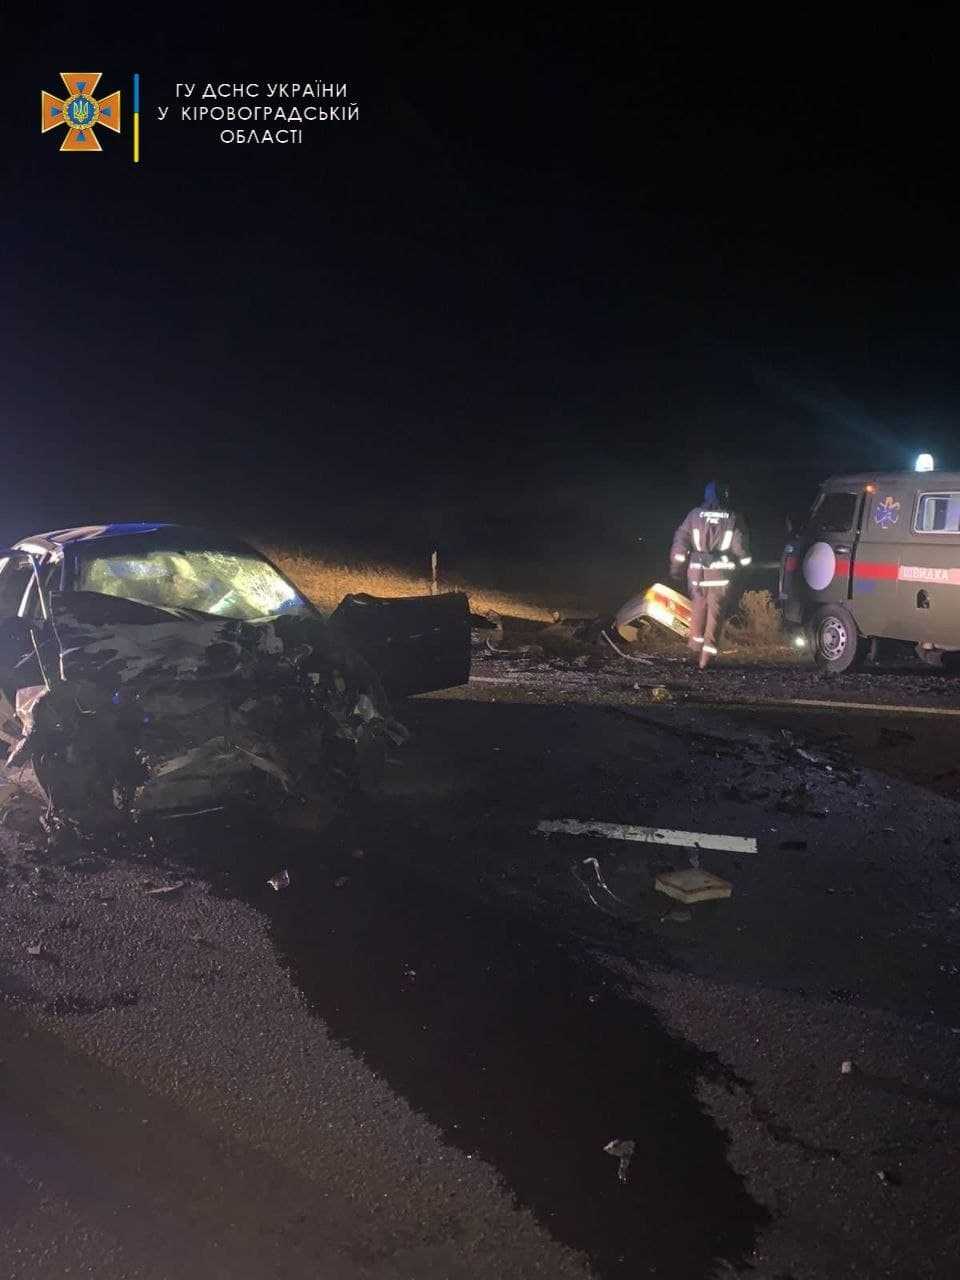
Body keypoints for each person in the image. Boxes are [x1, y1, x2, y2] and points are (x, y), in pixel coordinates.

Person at [669, 481, 751, 669]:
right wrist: (746, 563)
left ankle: (694, 649)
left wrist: (676, 568)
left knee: (698, 607)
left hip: (697, 573)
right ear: (725, 495)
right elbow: (740, 546)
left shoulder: (694, 515)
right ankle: (706, 658)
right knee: (716, 613)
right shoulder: (733, 517)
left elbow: (681, 540)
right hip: (720, 573)